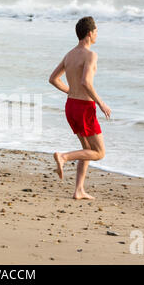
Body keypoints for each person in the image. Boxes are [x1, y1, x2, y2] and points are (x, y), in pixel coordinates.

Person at [49, 16, 111, 200]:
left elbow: (53, 79)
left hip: (71, 106)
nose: (97, 34)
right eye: (97, 31)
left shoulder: (69, 54)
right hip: (84, 107)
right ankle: (64, 157)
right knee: (99, 152)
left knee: (86, 149)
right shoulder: (91, 55)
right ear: (90, 33)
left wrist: (71, 91)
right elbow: (86, 82)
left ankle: (79, 190)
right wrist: (101, 103)